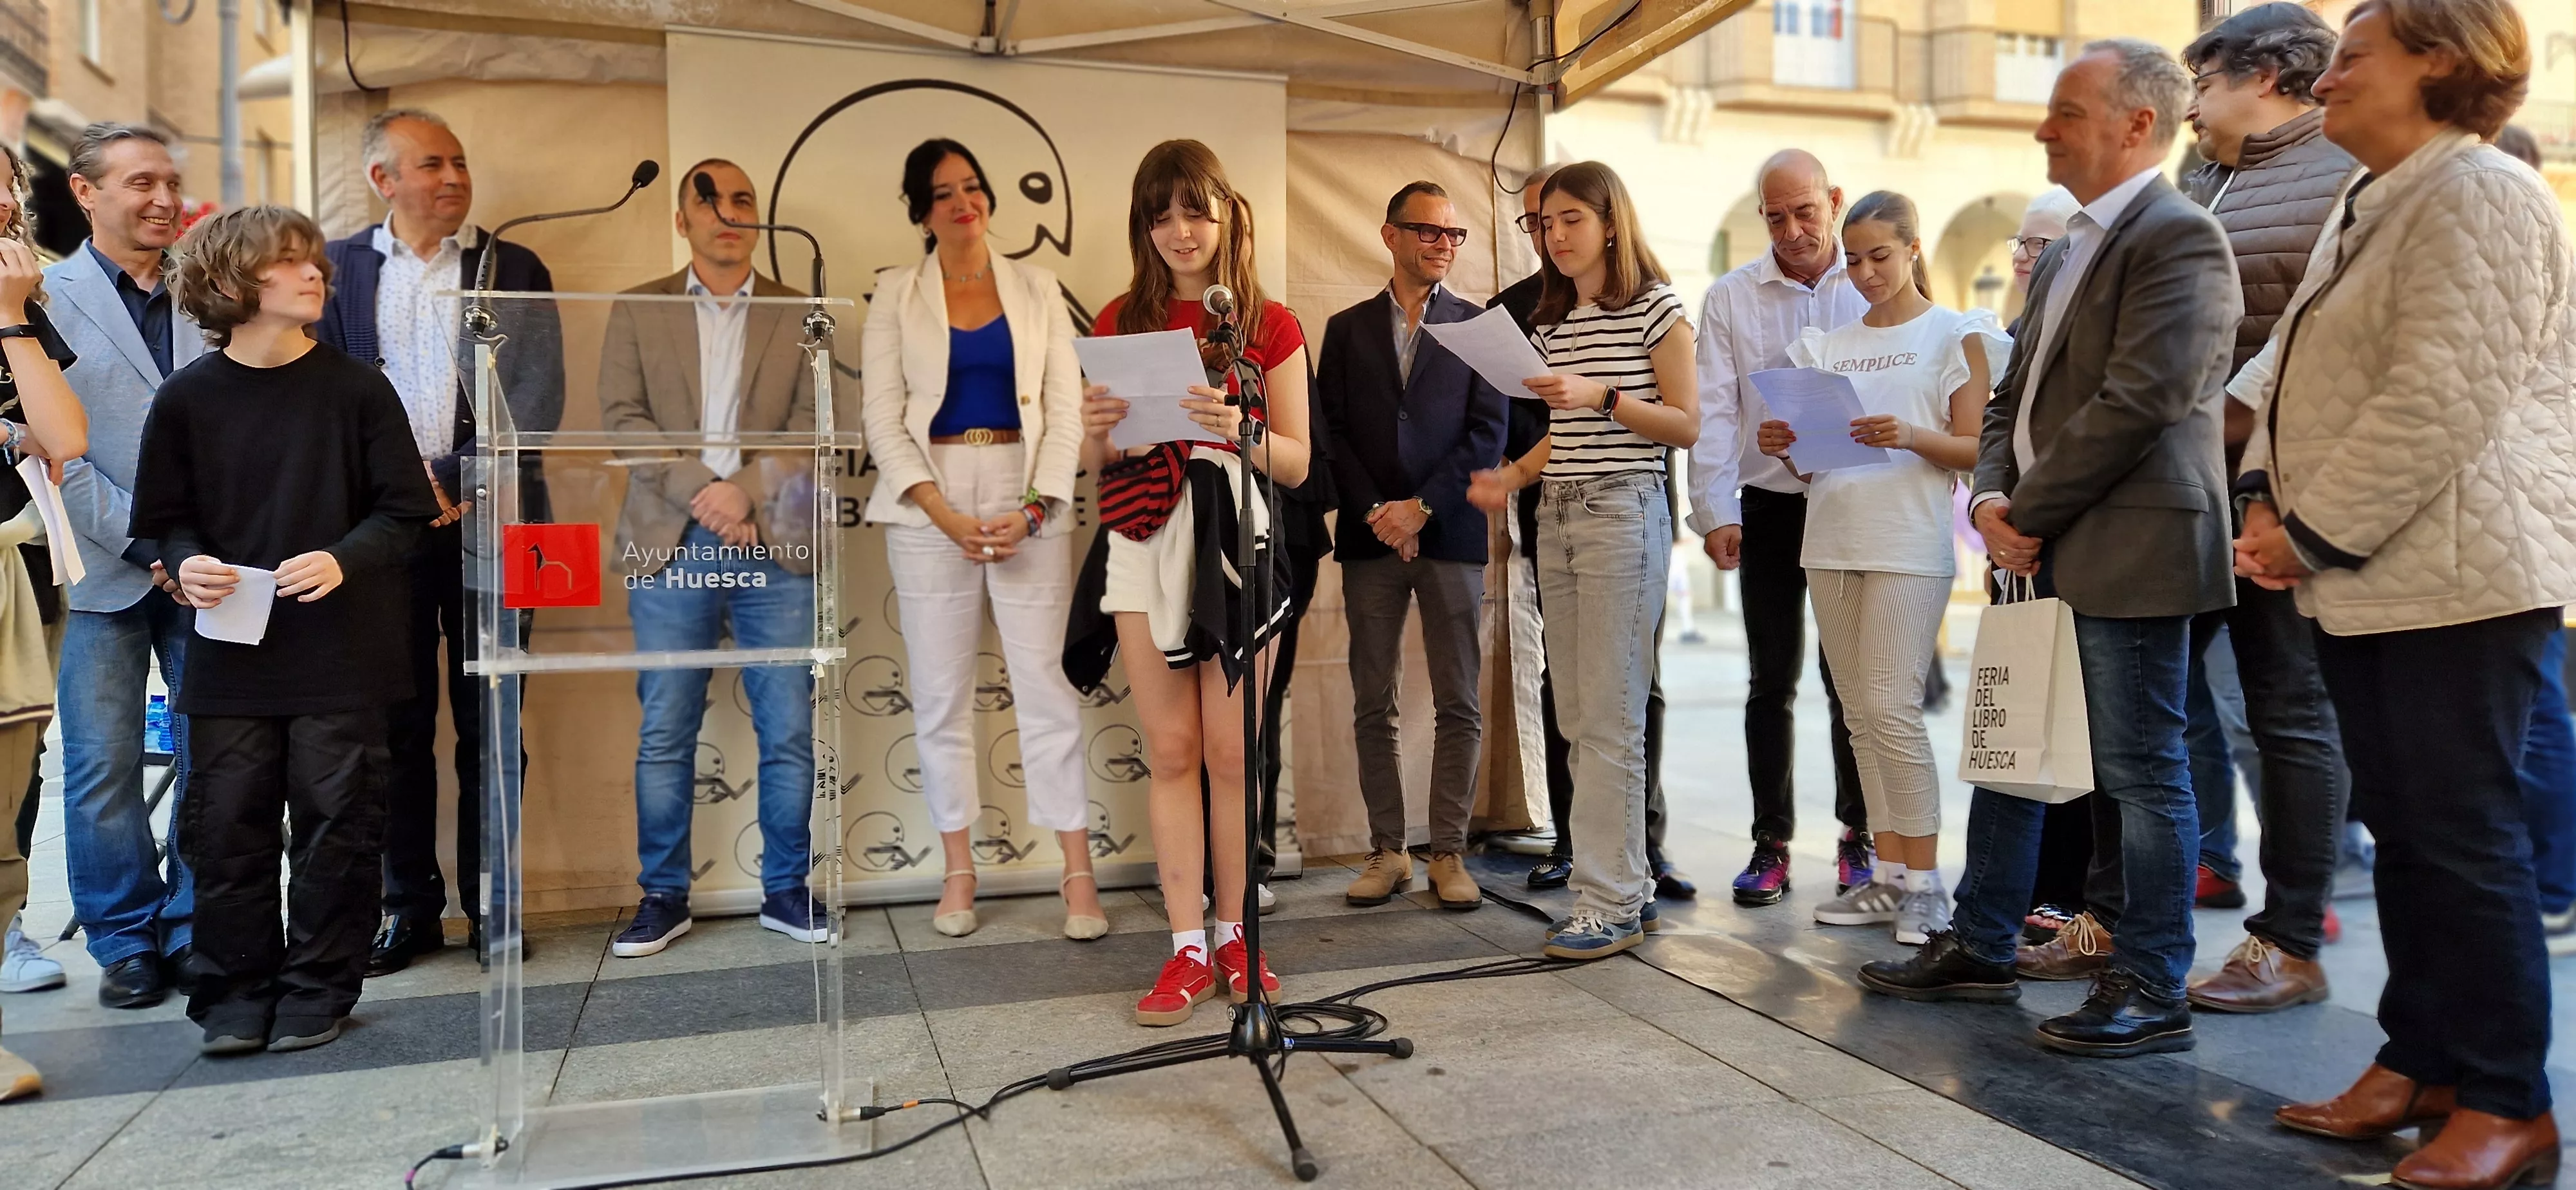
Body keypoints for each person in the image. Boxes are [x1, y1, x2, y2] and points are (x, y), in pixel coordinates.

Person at [2240, 3, 2575, 1182]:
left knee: (2466, 839)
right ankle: (2422, 1060)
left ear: (2441, 59)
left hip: (2462, 573)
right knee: (2411, 838)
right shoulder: (2375, 194)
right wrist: (2259, 498)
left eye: (2354, 58)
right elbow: (2285, 370)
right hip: (2381, 568)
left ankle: (2507, 1099)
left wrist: (2305, 531)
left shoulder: (2479, 191)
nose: (2325, 83)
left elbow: (2439, 396)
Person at [1857, 39, 2239, 1061]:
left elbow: (2142, 401)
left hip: (2129, 545)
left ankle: (2154, 983)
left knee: (2142, 773)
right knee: (2009, 752)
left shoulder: (2181, 237)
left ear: (2137, 126)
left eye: (2067, 112)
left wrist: (2032, 510)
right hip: (2036, 541)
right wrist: (1990, 497)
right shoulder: (2069, 246)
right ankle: (1983, 944)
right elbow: (2010, 397)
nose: (2043, 128)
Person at [135, 205, 440, 1055]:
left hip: (345, 651)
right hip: (232, 654)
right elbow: (164, 522)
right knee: (226, 821)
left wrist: (344, 559)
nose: (316, 273)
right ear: (232, 284)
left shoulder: (357, 389)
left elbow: (406, 514)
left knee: (337, 821)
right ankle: (232, 994)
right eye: (290, 262)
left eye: (316, 261)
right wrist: (186, 562)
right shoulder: (188, 397)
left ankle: (318, 988)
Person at [313, 108, 565, 976]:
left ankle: (495, 905)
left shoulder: (514, 267)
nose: (455, 178)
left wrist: (452, 479)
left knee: (496, 722)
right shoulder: (334, 268)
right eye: (433, 164)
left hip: (497, 522)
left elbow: (537, 400)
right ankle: (406, 908)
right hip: (379, 536)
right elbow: (317, 398)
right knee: (395, 724)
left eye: (461, 162)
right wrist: (397, 495)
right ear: (384, 179)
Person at [1063, 140, 1311, 1025]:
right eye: (1160, 214)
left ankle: (1239, 931)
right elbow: (1097, 460)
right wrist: (1101, 430)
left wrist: (1233, 425)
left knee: (1231, 751)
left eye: (1194, 210)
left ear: (1226, 213)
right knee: (1170, 751)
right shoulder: (1121, 315)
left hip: (1237, 542)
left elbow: (1296, 461)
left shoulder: (1266, 323)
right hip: (1144, 534)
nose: (1179, 230)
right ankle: (1186, 948)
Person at [859, 138, 1103, 941]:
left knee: (1047, 688)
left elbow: (1065, 415)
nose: (964, 203)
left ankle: (1077, 873)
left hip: (1024, 491)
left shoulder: (1038, 287)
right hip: (932, 502)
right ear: (920, 212)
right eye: (944, 193)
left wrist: (1036, 508)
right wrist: (941, 512)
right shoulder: (895, 294)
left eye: (974, 187)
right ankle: (957, 870)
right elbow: (882, 421)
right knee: (938, 697)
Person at [2166, 1, 2359, 1014]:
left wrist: (2264, 490)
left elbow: (2319, 353)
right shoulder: (2203, 178)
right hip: (2178, 485)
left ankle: (2289, 940)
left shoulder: (2342, 176)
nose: (2192, 104)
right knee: (2146, 704)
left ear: (2271, 76)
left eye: (2207, 82)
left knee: (2288, 712)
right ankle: (2121, 911)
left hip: (2274, 493)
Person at [1757, 192, 2007, 945]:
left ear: (1913, 248)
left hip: (1908, 541)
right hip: (1831, 538)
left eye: (1880, 257)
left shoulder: (1955, 335)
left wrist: (1910, 434)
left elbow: (1977, 450)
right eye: (1855, 259)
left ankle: (1929, 887)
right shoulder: (1824, 346)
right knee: (1859, 714)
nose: (1865, 273)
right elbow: (1813, 467)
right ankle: (1889, 878)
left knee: (1893, 710)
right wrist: (1785, 444)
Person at [1466, 160, 1698, 961]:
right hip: (1559, 513)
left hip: (1621, 512)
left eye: (1569, 220)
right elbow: (1561, 436)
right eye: (1544, 223)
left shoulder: (1657, 308)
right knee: (1579, 719)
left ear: (1609, 222)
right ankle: (1623, 889)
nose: (1554, 235)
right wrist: (1513, 476)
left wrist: (1599, 395)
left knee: (1607, 720)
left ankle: (1607, 902)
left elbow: (1685, 424)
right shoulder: (1555, 317)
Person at [596, 160, 825, 959]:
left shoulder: (805, 312)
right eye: (710, 200)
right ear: (680, 219)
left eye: (742, 199)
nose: (728, 212)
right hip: (670, 541)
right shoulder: (636, 308)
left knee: (788, 727)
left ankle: (787, 890)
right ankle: (663, 895)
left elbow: (814, 419)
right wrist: (707, 489)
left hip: (775, 539)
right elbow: (619, 418)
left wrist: (750, 489)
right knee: (665, 727)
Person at [1686, 149, 1872, 908]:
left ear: (1833, 200)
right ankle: (1771, 843)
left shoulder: (1869, 282)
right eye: (1774, 216)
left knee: (1851, 684)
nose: (1791, 230)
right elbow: (1716, 409)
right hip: (1765, 510)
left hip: (1854, 505)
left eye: (1804, 212)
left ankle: (1859, 839)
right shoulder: (1731, 297)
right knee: (1771, 681)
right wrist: (1715, 512)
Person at [48, 123, 207, 1010]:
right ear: (84, 192)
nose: (162, 198)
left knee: (209, 753)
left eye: (171, 181)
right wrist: (148, 549)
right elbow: (52, 456)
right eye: (140, 181)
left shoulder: (207, 289)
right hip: (104, 572)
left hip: (205, 568)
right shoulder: (40, 294)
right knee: (103, 766)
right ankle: (124, 939)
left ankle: (191, 926)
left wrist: (191, 549)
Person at [1316, 181, 1507, 912]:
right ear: (1390, 235)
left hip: (1452, 532)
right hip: (1370, 539)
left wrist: (1422, 507)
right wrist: (1379, 512)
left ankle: (1449, 852)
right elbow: (1329, 431)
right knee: (1374, 700)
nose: (1443, 244)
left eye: (1453, 235)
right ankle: (1388, 850)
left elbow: (1488, 433)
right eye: (1428, 231)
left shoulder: (1478, 325)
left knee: (1459, 701)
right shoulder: (1345, 328)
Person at [0, 143, 92, 1099]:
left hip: (25, 566)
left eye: (9, 187)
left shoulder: (18, 309)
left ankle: (8, 923)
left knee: (15, 765)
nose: (2, 203)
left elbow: (64, 436)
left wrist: (10, 321)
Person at [2491, 126, 2576, 959]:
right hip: (2523, 520)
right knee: (2532, 711)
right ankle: (2549, 888)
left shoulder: (2532, 258)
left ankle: (2555, 893)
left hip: (2525, 523)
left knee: (2539, 711)